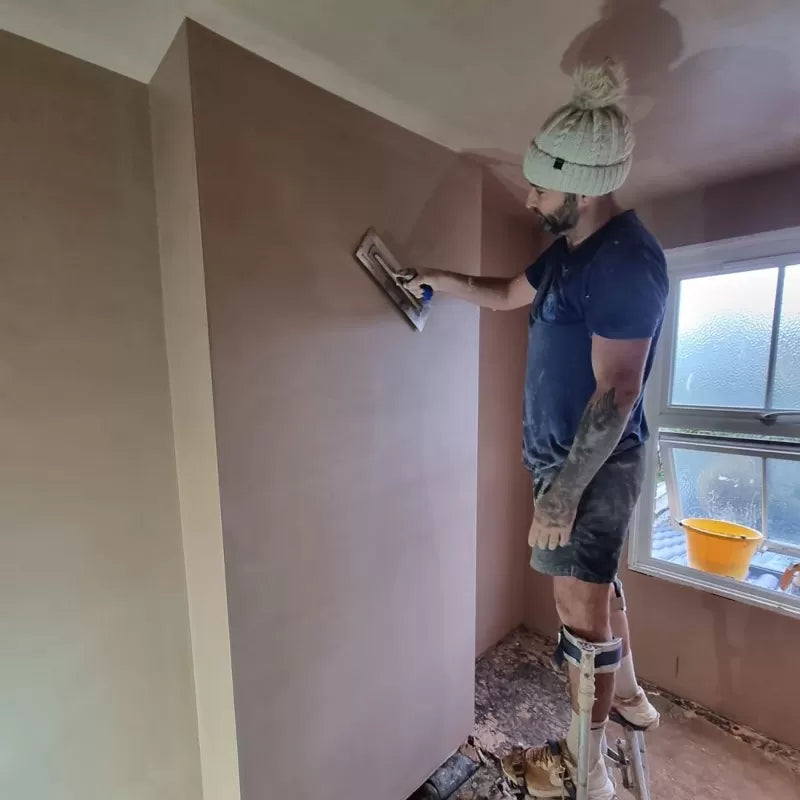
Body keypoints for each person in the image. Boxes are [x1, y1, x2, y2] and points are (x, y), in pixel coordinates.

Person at [406, 61, 668, 799]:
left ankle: (587, 779)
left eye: (540, 187)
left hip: (591, 470)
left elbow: (618, 394)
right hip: (562, 463)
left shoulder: (625, 265)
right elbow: (506, 294)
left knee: (577, 615)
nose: (529, 197)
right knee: (597, 590)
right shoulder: (570, 253)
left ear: (582, 189)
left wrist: (558, 498)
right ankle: (637, 701)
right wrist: (437, 277)